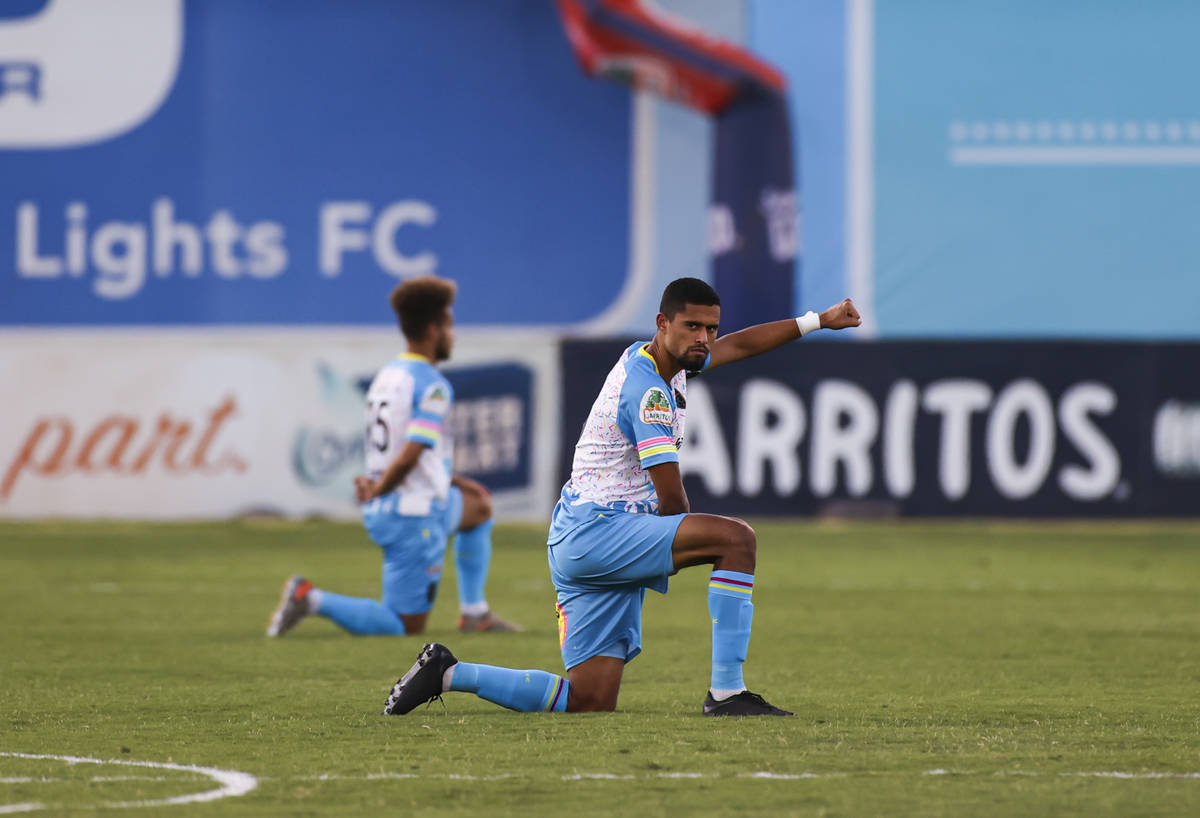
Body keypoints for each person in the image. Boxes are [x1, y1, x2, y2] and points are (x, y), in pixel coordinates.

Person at [380, 277, 860, 716]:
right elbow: (672, 500)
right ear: (662, 322)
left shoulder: (657, 356)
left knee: (589, 701)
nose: (705, 339)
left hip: (581, 535)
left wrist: (817, 320)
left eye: (710, 328)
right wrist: (671, 552)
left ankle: (447, 672)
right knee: (735, 541)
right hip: (600, 533)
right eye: (693, 326)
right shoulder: (648, 392)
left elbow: (740, 345)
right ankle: (727, 693)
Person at [266, 276, 520, 638]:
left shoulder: (387, 375)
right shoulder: (432, 384)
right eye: (450, 325)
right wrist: (379, 489)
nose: (454, 335)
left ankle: (475, 614)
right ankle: (311, 599)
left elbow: (396, 446)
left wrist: (450, 481)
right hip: (412, 513)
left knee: (478, 507)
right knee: (403, 626)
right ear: (434, 330)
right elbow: (410, 453)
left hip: (410, 500)